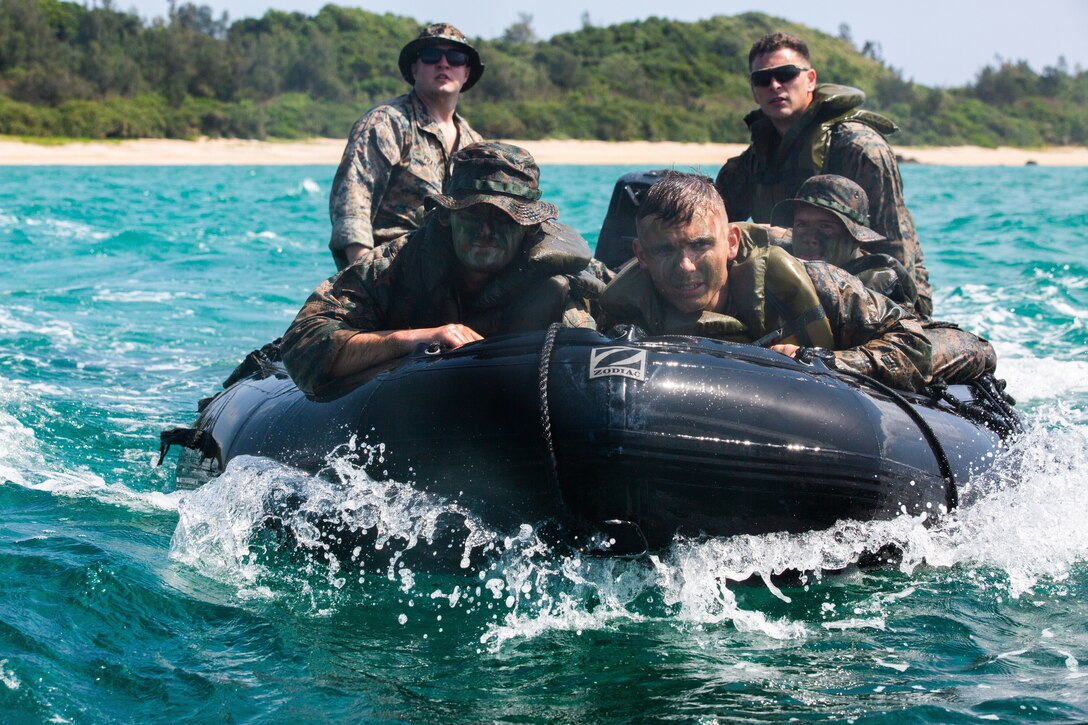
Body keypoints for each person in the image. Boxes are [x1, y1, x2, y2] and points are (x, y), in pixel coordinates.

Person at [282, 142, 608, 398]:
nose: (486, 232)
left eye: (504, 220)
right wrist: (414, 339)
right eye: (474, 216)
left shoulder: (560, 275)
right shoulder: (394, 265)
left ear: (528, 228)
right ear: (444, 216)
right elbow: (303, 344)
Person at [598, 172, 932, 392]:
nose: (685, 267)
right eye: (665, 250)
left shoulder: (814, 283)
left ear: (730, 242)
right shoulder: (619, 311)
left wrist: (825, 361)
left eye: (701, 245)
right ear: (641, 256)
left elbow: (918, 344)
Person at [714, 32, 934, 319]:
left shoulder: (860, 150)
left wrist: (904, 314)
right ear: (754, 89)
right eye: (762, 79)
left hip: (876, 291)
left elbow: (893, 253)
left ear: (811, 79)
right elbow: (712, 228)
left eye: (786, 74)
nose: (775, 85)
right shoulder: (752, 162)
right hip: (795, 284)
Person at [770, 175, 996, 384]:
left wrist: (826, 360)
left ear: (855, 237)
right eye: (801, 225)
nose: (810, 237)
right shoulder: (779, 263)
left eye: (825, 227)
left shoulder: (877, 283)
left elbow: (911, 350)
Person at [327, 23, 485, 270]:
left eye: (455, 57)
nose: (443, 63)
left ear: (466, 73)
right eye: (432, 56)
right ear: (414, 68)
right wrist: (363, 273)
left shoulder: (475, 144)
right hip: (390, 269)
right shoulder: (386, 122)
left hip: (452, 276)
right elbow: (352, 199)